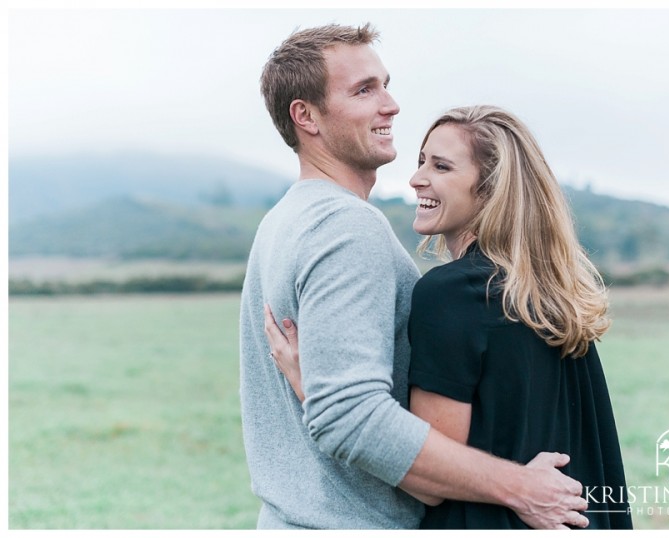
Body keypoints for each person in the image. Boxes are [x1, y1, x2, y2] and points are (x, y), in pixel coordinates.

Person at [240, 23, 588, 530]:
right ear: (305, 116)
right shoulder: (346, 227)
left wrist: (313, 388)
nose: (392, 105)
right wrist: (521, 486)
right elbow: (346, 415)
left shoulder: (282, 222)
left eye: (385, 84)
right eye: (364, 90)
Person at [266, 106, 633, 529]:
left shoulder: (451, 294)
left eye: (441, 166)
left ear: (491, 190)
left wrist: (316, 390)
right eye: (422, 161)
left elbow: (426, 482)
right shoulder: (552, 296)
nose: (416, 178)